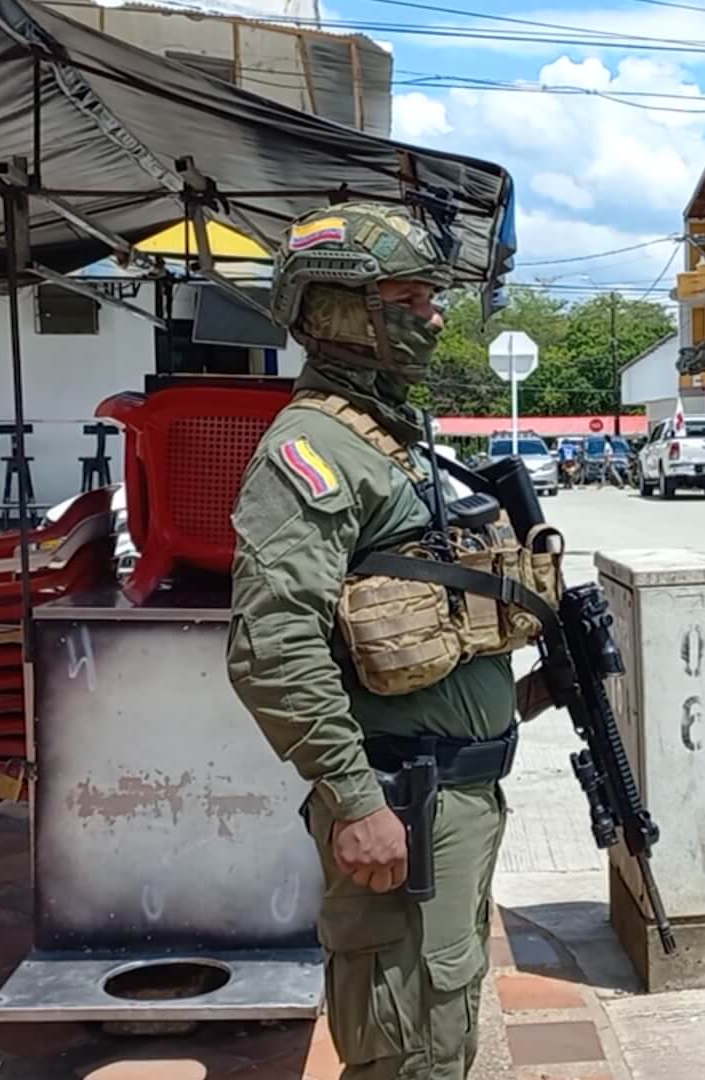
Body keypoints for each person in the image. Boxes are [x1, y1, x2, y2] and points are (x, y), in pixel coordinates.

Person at [229, 202, 543, 1080]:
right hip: (402, 804)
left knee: (442, 1023)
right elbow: (272, 643)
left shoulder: (390, 443)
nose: (433, 316)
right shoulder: (313, 453)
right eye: (409, 296)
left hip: (451, 797)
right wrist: (357, 801)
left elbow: (411, 631)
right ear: (337, 309)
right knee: (407, 1050)